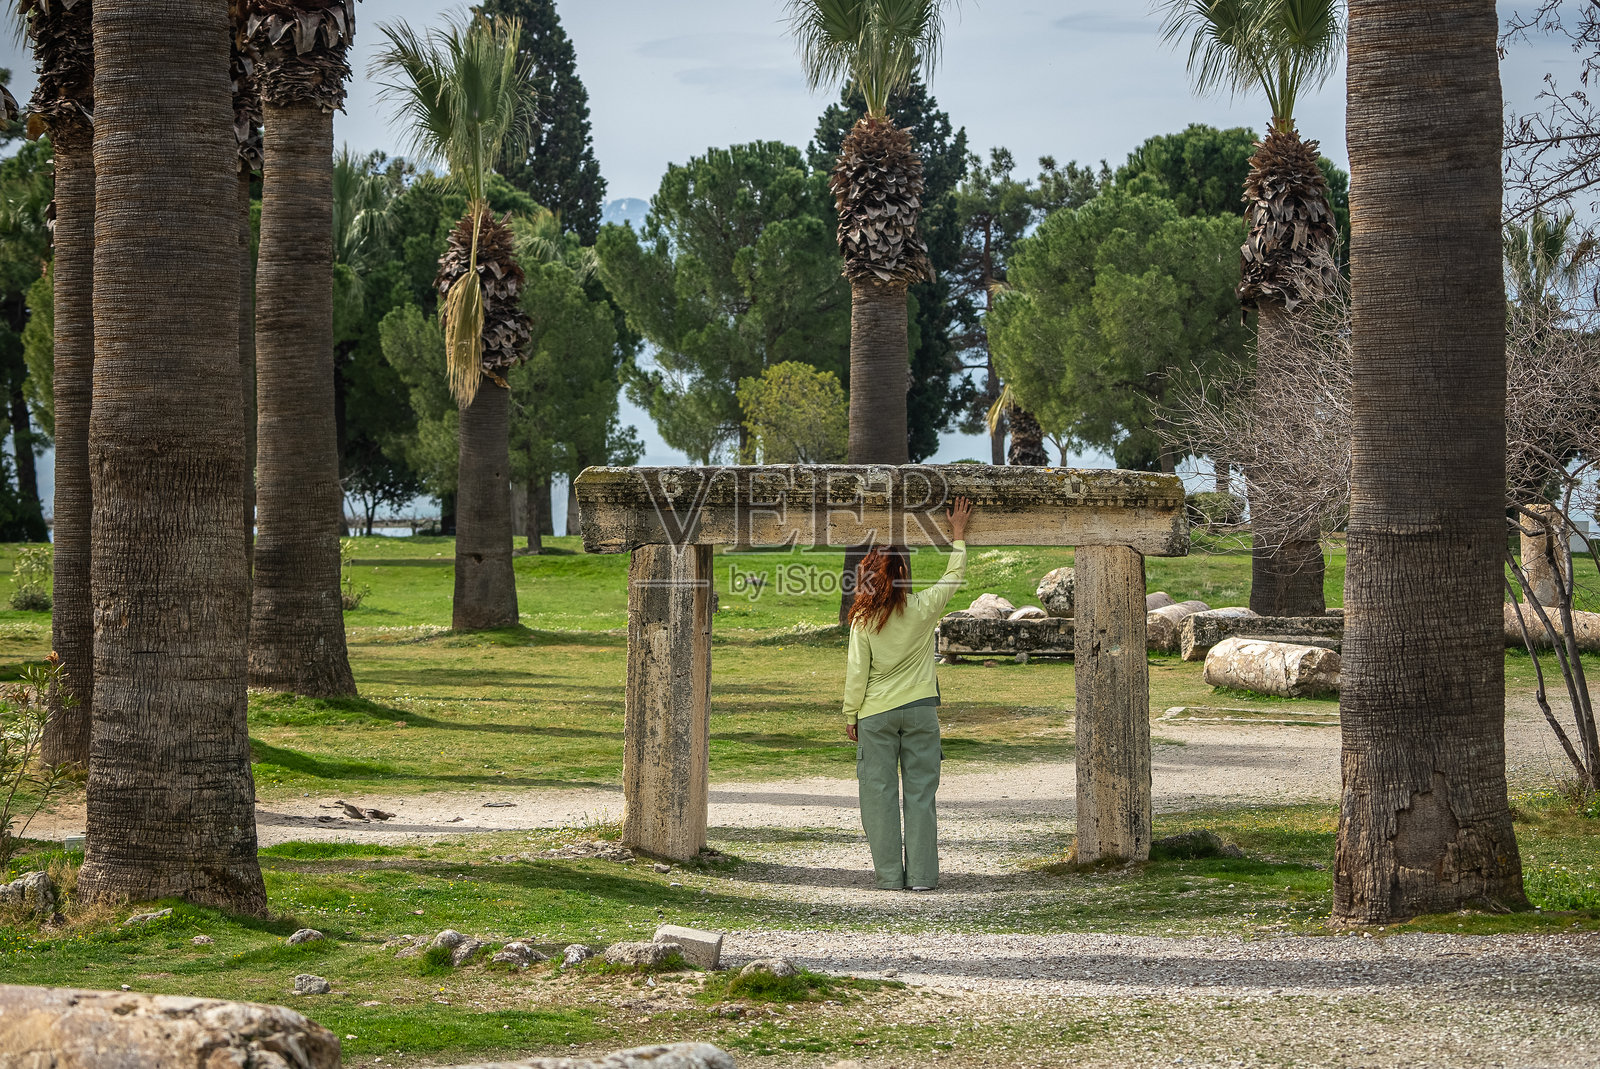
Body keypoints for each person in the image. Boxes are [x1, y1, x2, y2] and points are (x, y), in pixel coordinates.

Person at [841, 496, 973, 891]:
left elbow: (856, 673)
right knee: (920, 795)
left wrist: (851, 716)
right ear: (904, 574)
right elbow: (953, 578)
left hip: (875, 715)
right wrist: (959, 535)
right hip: (919, 712)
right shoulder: (921, 607)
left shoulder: (862, 620)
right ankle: (921, 878)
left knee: (878, 796)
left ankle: (887, 877)